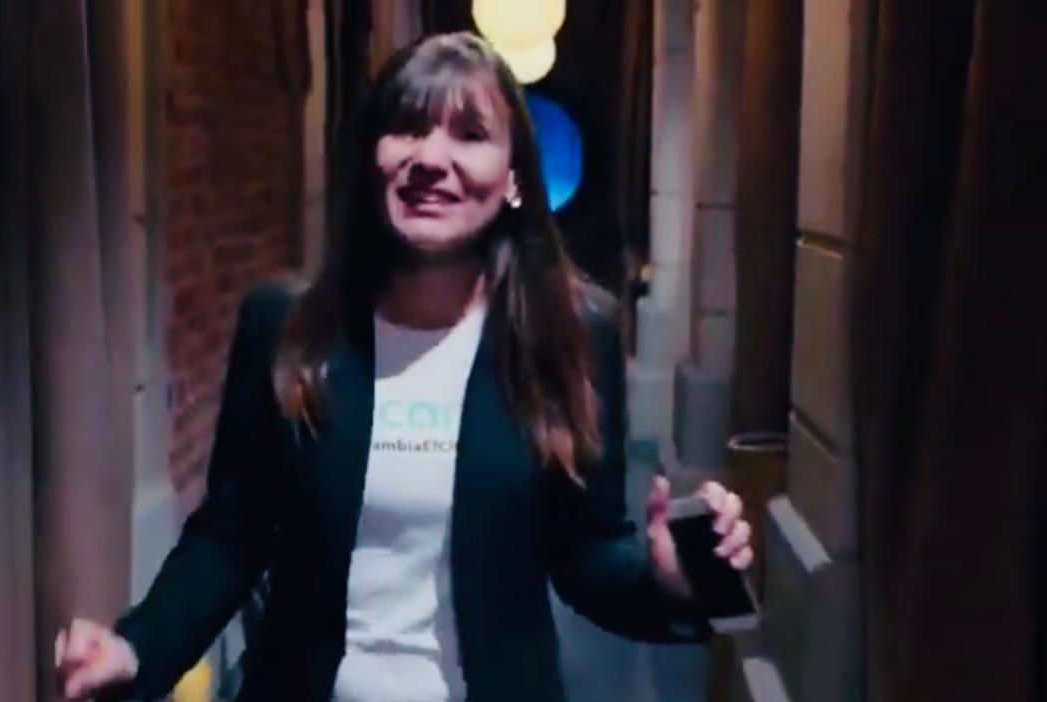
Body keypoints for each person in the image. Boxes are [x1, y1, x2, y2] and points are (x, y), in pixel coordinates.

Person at [54, 32, 753, 702]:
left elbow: (587, 555)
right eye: (408, 129)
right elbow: (231, 534)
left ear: (514, 178)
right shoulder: (288, 325)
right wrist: (136, 649)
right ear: (373, 160)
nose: (430, 158)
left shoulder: (570, 333)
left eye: (469, 135)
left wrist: (671, 580)